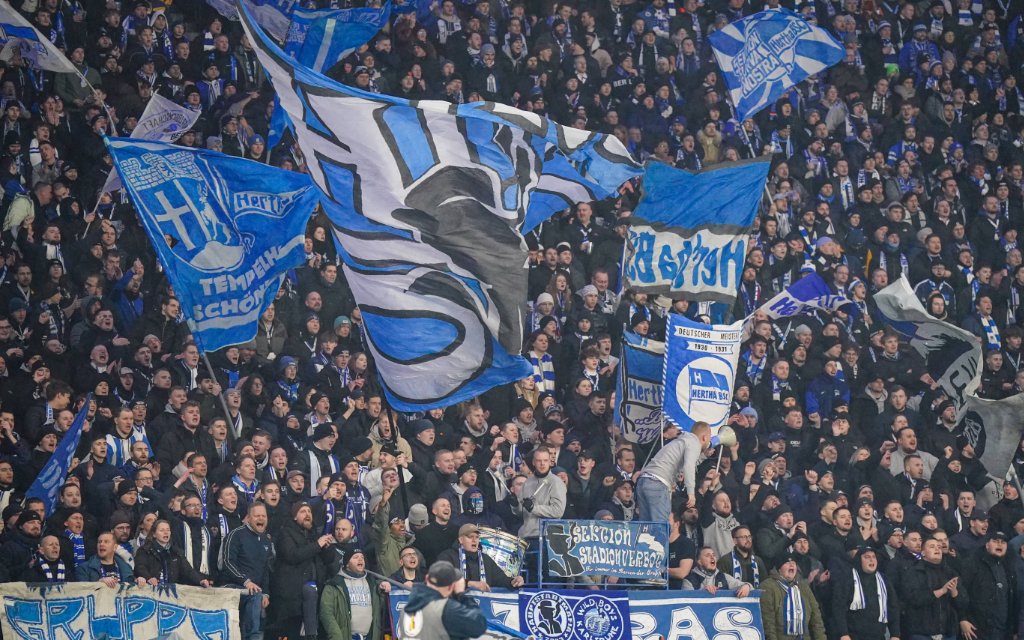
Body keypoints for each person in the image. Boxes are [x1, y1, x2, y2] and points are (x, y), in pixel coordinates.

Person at [219, 502, 275, 640]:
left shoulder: (266, 541)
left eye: (264, 516)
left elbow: (265, 570)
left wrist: (266, 593)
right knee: (255, 594)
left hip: (254, 592)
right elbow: (227, 562)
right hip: (230, 586)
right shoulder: (236, 535)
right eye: (257, 516)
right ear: (248, 518)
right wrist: (245, 581)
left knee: (258, 596)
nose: (261, 519)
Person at [637, 422, 711, 523]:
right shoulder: (694, 443)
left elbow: (686, 463)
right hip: (658, 483)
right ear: (704, 438)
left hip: (644, 481)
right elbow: (688, 466)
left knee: (645, 527)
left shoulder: (681, 441)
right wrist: (691, 493)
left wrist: (703, 456)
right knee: (660, 526)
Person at [397, 561, 488, 640]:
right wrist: (461, 594)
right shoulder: (445, 609)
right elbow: (479, 625)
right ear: (451, 587)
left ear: (427, 578)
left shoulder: (406, 609)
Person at [320, 548, 386, 640]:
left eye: (362, 557)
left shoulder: (372, 583)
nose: (360, 559)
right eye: (355, 557)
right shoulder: (334, 584)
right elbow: (326, 613)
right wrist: (336, 635)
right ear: (347, 564)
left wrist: (383, 591)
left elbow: (382, 607)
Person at [760, 554, 827, 640]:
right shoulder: (768, 586)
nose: (791, 565)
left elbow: (816, 618)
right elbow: (768, 622)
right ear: (779, 569)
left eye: (793, 563)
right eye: (787, 563)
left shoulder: (803, 587)